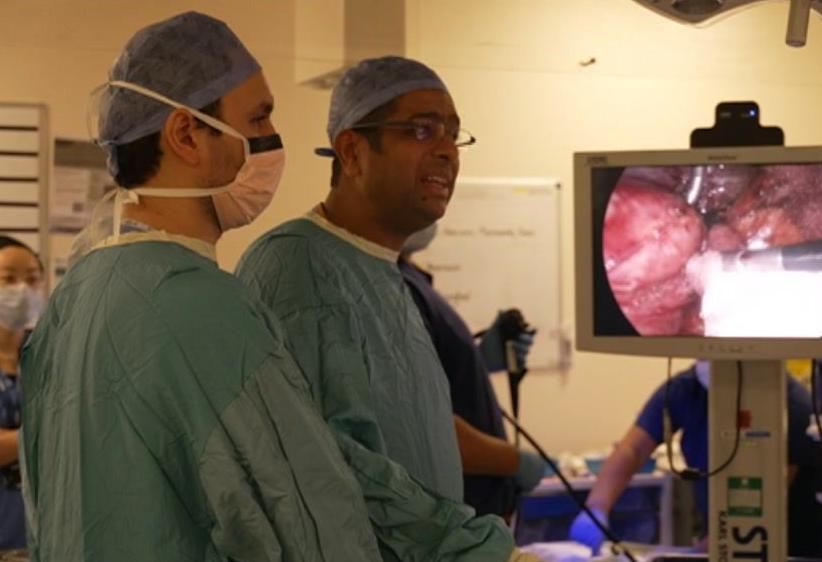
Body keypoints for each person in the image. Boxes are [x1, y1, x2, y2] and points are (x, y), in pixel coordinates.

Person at [20, 14, 514, 562]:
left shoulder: (78, 291)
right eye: (257, 118)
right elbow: (304, 517)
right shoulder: (200, 304)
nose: (270, 141)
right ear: (186, 134)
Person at [235, 56, 530, 561]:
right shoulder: (296, 266)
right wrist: (472, 549)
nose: (446, 152)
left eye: (453, 135)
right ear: (351, 151)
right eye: (421, 130)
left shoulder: (384, 275)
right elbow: (331, 464)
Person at [568, 360, 822, 558]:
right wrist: (596, 508)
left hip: (796, 544)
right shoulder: (687, 389)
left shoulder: (791, 405)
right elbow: (633, 450)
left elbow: (769, 495)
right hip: (724, 535)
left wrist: (708, 548)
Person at [398, 224, 546, 518]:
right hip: (453, 520)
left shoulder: (413, 281)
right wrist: (513, 461)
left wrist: (478, 363)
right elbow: (424, 426)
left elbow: (432, 384)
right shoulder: (395, 288)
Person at [0, 236, 45, 551]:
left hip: (37, 535)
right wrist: (47, 435)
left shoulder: (45, 353)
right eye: (8, 279)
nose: (22, 289)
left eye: (32, 278)